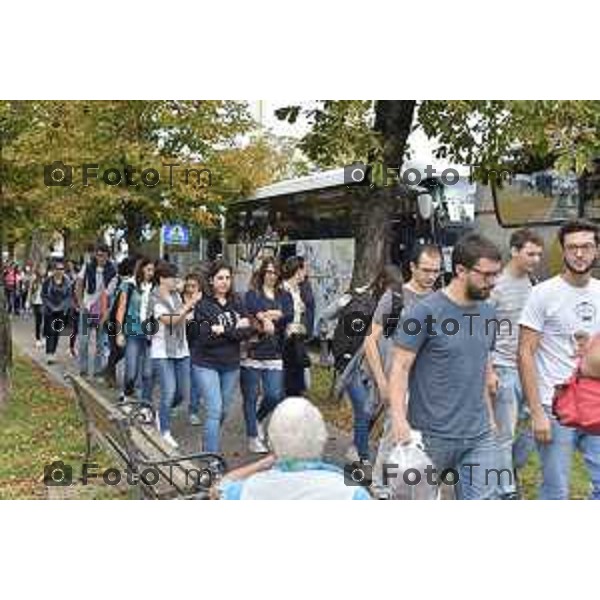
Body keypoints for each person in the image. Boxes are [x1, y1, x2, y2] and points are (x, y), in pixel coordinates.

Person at [387, 232, 502, 500]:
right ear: (460, 270)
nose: (492, 282)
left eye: (495, 274)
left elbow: (480, 364)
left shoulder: (488, 312)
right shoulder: (423, 313)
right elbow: (400, 367)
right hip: (430, 437)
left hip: (479, 435)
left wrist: (491, 417)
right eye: (485, 275)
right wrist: (398, 420)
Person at [519, 219, 600, 499]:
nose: (580, 254)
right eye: (573, 247)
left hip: (596, 403)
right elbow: (525, 353)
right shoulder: (543, 293)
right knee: (556, 491)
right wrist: (536, 412)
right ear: (563, 251)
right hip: (555, 407)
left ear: (596, 250)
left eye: (587, 247)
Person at [217, 397, 371, 500]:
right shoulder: (352, 493)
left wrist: (262, 464)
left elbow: (219, 488)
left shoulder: (245, 490)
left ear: (272, 441)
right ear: (322, 437)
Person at [489, 228, 544, 498]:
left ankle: (505, 470)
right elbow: (482, 332)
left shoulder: (533, 283)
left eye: (538, 254)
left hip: (530, 369)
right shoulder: (496, 286)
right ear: (514, 251)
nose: (535, 259)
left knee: (539, 425)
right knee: (505, 434)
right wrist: (488, 369)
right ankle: (506, 491)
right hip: (504, 369)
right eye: (530, 253)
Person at [189, 260, 253, 453]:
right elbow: (206, 337)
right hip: (206, 363)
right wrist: (234, 330)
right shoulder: (202, 306)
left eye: (227, 278)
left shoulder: (238, 302)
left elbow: (247, 331)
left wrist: (223, 329)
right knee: (215, 410)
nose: (224, 282)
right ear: (211, 280)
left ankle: (208, 438)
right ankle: (211, 458)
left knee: (223, 411)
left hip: (231, 365)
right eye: (220, 278)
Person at [241, 258, 293, 453]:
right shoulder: (252, 293)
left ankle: (257, 419)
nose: (271, 275)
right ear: (262, 273)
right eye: (268, 271)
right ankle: (253, 437)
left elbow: (289, 314)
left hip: (275, 350)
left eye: (274, 272)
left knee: (273, 395)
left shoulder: (284, 295)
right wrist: (268, 316)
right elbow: (251, 309)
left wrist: (268, 315)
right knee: (251, 396)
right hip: (254, 350)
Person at [149, 262, 200, 448]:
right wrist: (189, 305)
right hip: (162, 351)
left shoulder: (175, 296)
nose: (176, 281)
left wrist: (188, 315)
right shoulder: (154, 298)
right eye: (172, 278)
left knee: (181, 393)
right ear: (162, 278)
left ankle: (161, 412)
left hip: (181, 349)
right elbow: (170, 320)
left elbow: (181, 318)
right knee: (169, 391)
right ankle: (164, 430)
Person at [114, 256, 154, 403]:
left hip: (150, 334)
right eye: (148, 269)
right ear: (141, 269)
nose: (151, 273)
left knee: (148, 372)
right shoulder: (129, 285)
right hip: (132, 332)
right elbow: (121, 310)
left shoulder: (155, 288)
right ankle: (127, 391)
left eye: (153, 270)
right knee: (131, 370)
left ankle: (143, 400)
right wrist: (119, 333)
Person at [76, 243, 117, 377]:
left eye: (103, 256)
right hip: (87, 308)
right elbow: (79, 284)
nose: (100, 258)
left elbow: (111, 294)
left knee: (101, 342)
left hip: (103, 310)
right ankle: (83, 369)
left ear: (108, 256)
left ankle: (98, 370)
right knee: (83, 341)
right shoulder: (87, 267)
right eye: (98, 255)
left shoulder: (112, 271)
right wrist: (81, 303)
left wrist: (107, 312)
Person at [281, 257, 309, 396]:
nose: (306, 273)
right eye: (305, 269)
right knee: (290, 384)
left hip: (297, 339)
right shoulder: (283, 289)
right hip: (286, 341)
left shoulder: (298, 290)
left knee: (298, 384)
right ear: (298, 271)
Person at [180, 272, 204, 425]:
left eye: (193, 286)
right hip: (180, 343)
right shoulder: (178, 300)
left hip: (197, 344)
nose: (190, 289)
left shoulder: (204, 302)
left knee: (196, 379)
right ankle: (175, 402)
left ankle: (193, 411)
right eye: (188, 286)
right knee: (180, 379)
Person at [41, 261, 72, 365]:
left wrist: (61, 307)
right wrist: (52, 307)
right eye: (57, 269)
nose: (59, 271)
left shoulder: (67, 282)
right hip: (50, 311)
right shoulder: (47, 281)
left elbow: (69, 297)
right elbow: (44, 296)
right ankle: (49, 353)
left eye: (61, 269)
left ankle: (53, 351)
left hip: (61, 311)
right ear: (53, 270)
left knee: (57, 332)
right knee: (50, 332)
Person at [28, 265, 46, 350]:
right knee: (38, 321)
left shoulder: (46, 280)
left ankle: (44, 337)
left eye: (43, 269)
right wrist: (27, 301)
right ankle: (38, 339)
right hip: (36, 302)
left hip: (45, 303)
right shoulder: (34, 280)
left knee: (45, 321)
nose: (42, 271)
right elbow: (30, 290)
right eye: (41, 269)